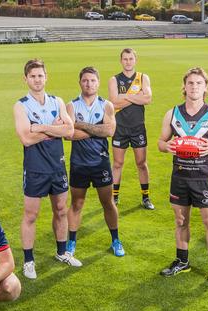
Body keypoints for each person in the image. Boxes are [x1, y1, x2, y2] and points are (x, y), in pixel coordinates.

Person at [157, 67, 208, 288]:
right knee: (181, 221)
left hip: (205, 178)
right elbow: (161, 142)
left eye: (199, 83)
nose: (194, 87)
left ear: (206, 87)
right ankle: (182, 261)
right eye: (190, 83)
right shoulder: (172, 113)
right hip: (180, 177)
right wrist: (168, 146)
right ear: (184, 86)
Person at [13, 59, 81, 280]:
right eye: (32, 76)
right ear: (26, 79)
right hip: (35, 168)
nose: (37, 79)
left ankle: (62, 253)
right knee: (31, 214)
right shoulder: (21, 105)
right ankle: (29, 261)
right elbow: (25, 138)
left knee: (61, 210)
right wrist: (56, 129)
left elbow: (70, 131)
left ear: (46, 77)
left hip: (57, 165)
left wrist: (42, 128)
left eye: (40, 75)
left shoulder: (57, 101)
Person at [65, 66, 124, 257]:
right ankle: (71, 243)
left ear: (98, 83)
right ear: (80, 82)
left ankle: (115, 240)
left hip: (100, 163)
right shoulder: (71, 106)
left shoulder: (106, 105)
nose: (89, 84)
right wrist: (95, 129)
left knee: (108, 203)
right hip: (78, 164)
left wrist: (80, 125)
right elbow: (69, 134)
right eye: (85, 80)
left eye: (92, 80)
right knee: (76, 203)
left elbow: (109, 131)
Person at [107, 48, 154, 209]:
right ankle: (114, 197)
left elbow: (147, 98)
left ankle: (146, 198)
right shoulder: (114, 80)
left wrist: (124, 96)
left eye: (131, 59)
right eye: (125, 59)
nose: (128, 62)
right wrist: (136, 97)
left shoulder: (143, 78)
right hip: (119, 127)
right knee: (117, 163)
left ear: (135, 60)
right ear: (121, 61)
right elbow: (113, 103)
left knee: (141, 163)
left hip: (138, 127)